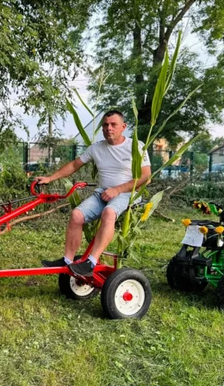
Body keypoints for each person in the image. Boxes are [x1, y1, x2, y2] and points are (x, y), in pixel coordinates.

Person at [38, 110, 151, 276]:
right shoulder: (96, 148)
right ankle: (68, 260)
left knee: (109, 212)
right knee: (76, 215)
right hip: (103, 193)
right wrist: (50, 178)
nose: (108, 128)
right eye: (105, 125)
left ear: (123, 127)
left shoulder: (136, 146)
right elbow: (74, 165)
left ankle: (91, 262)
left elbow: (146, 176)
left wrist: (117, 190)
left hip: (127, 194)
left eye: (113, 124)